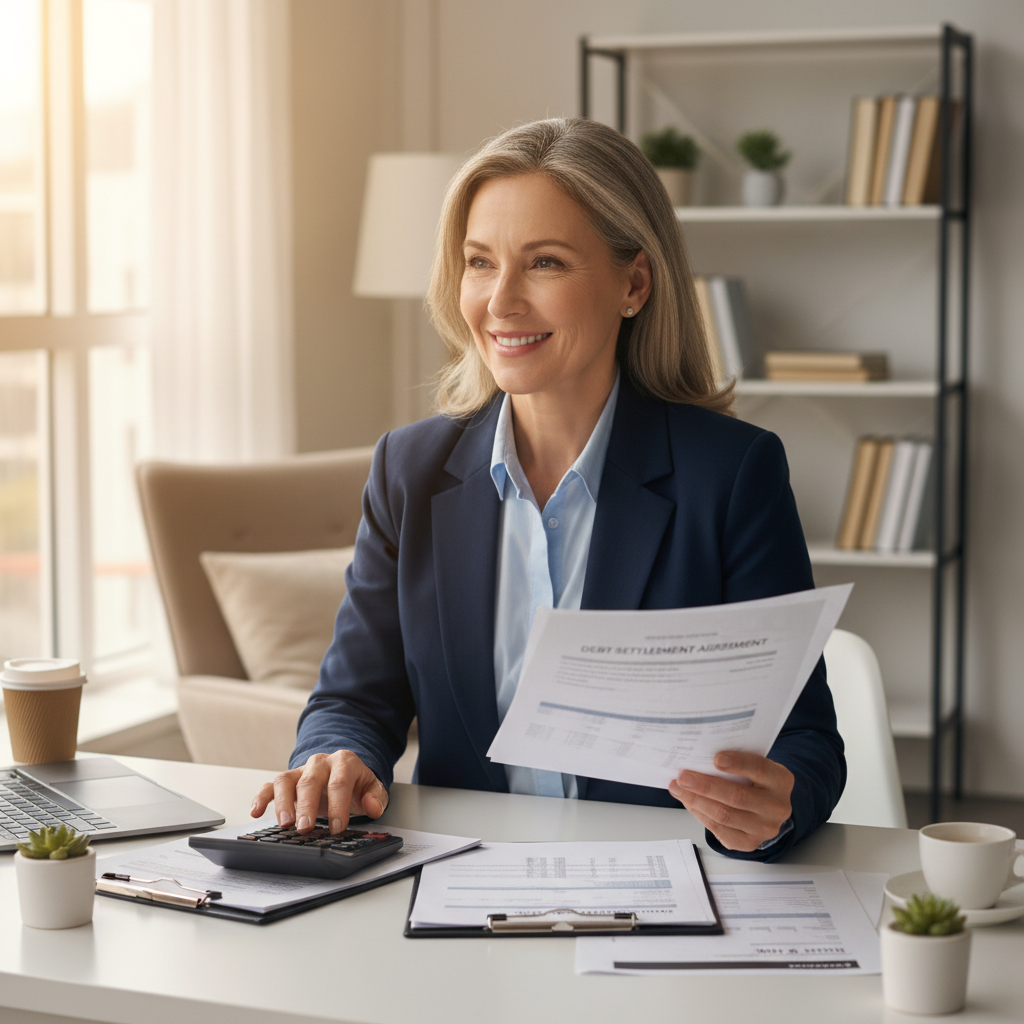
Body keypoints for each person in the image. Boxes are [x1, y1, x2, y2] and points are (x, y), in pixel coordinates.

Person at [251, 117, 845, 861]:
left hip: (664, 890)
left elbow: (807, 737)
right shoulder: (409, 470)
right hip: (464, 888)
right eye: (479, 262)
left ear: (634, 284)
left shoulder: (731, 474)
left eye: (546, 264)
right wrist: (339, 759)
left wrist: (778, 799)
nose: (500, 301)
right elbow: (353, 701)